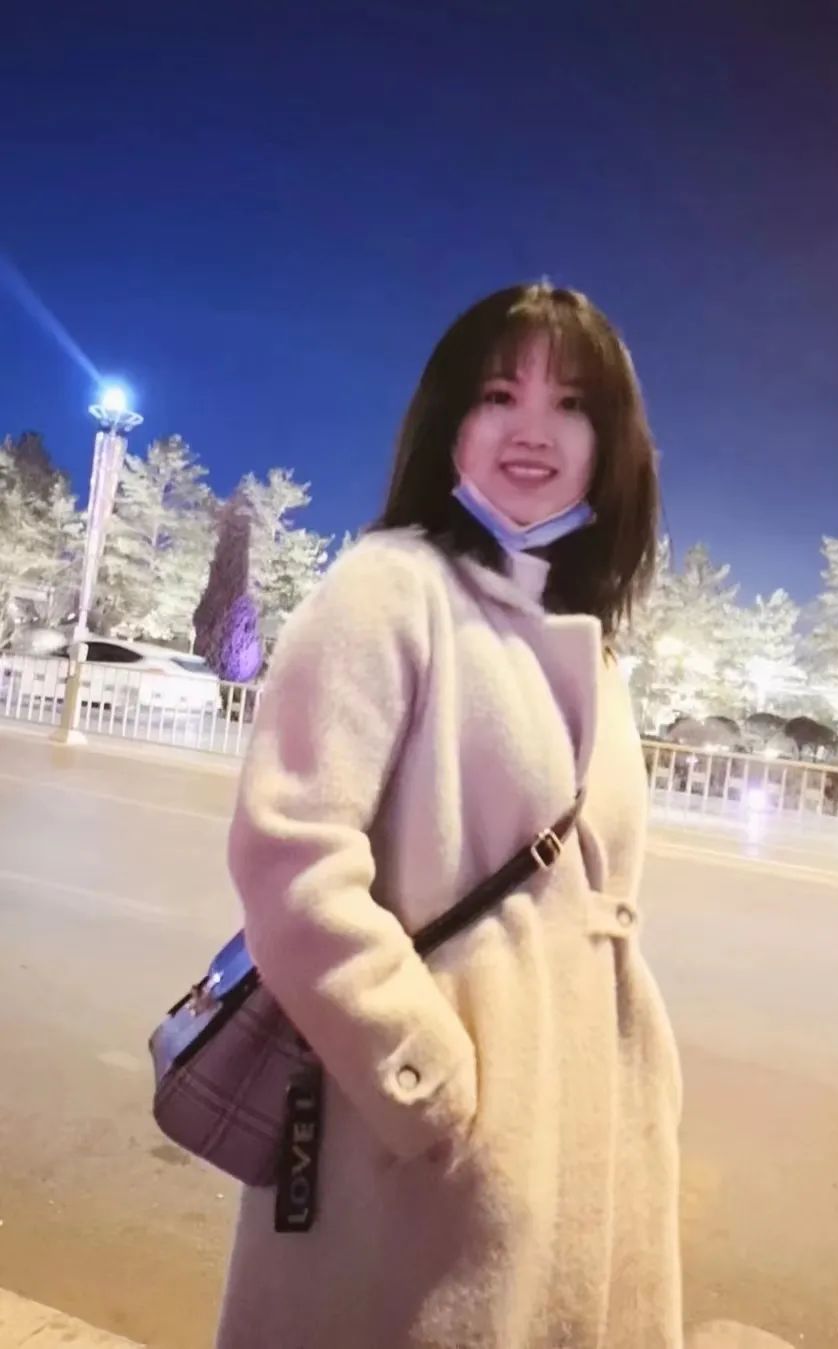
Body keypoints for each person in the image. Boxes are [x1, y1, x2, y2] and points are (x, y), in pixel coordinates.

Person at [215, 282, 683, 1348]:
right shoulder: (387, 589)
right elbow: (292, 861)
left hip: (582, 1141)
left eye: (571, 403)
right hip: (415, 1158)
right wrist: (426, 1080)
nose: (533, 428)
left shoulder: (585, 638)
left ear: (611, 443)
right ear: (449, 422)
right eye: (498, 394)